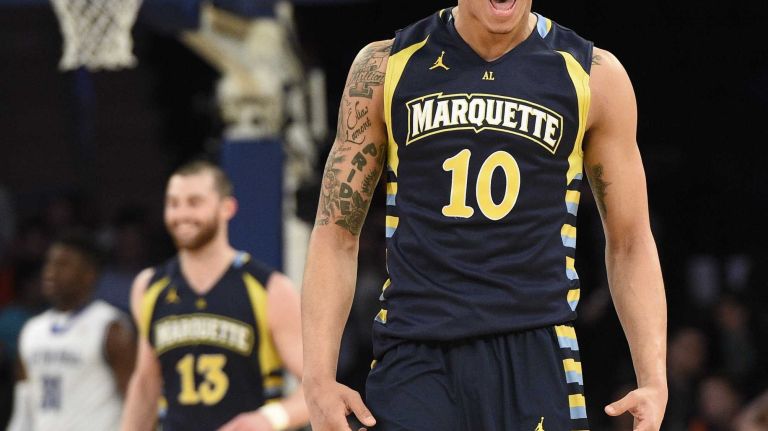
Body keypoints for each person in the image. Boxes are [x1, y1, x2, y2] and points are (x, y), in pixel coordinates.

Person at [301, 1, 667, 430]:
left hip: (536, 350)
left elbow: (630, 241)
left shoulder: (593, 74)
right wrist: (317, 379)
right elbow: (335, 232)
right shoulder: (386, 66)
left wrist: (654, 378)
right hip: (416, 353)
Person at [121, 160, 308, 431]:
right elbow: (146, 383)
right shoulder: (149, 286)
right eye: (173, 203)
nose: (181, 214)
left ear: (227, 208)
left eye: (194, 202)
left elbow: (316, 389)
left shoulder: (269, 288)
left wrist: (269, 419)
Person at [8, 230, 137, 431]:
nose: (50, 272)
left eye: (63, 265)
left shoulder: (110, 327)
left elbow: (137, 401)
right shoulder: (31, 330)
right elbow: (24, 408)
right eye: (49, 263)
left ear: (89, 275)